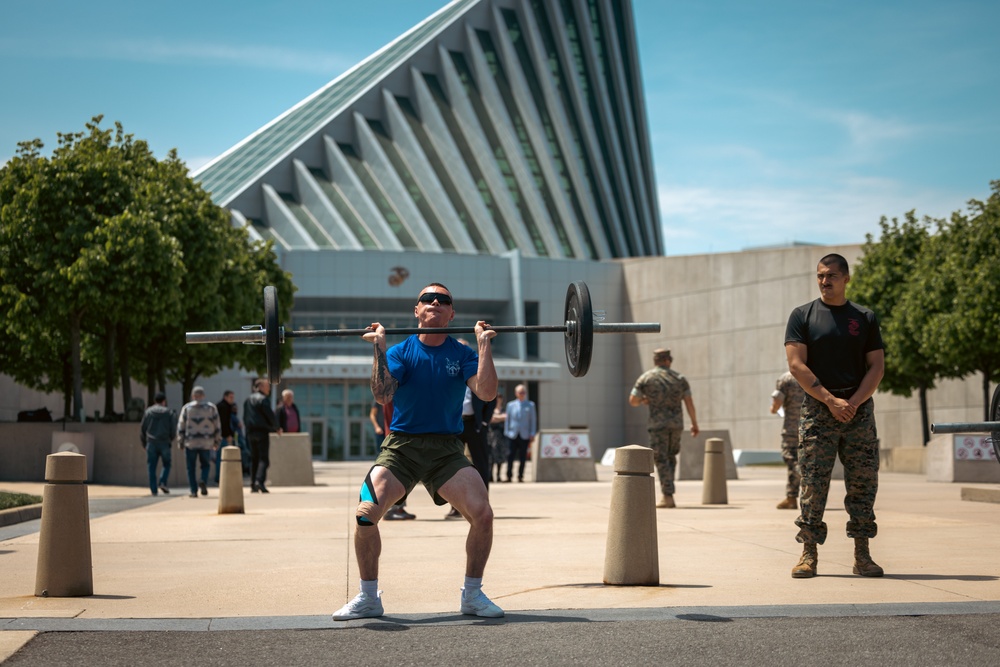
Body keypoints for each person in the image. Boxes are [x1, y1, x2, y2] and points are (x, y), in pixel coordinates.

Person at [333, 282, 503, 620]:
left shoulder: (463, 353)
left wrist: (484, 346)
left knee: (482, 514)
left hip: (446, 449)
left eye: (444, 300)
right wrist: (379, 348)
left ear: (451, 313)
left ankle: (472, 594)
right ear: (417, 310)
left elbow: (485, 393)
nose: (435, 302)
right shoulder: (400, 352)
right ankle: (368, 597)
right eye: (428, 299)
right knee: (366, 514)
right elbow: (382, 395)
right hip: (402, 446)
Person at [784, 253, 885, 580]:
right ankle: (808, 553)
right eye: (820, 276)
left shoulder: (865, 318)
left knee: (863, 482)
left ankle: (862, 554)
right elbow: (797, 365)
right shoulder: (802, 315)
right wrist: (830, 401)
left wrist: (852, 403)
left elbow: (877, 366)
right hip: (817, 410)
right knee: (813, 482)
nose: (825, 281)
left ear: (846, 279)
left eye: (831, 276)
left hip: (858, 412)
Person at [628, 348, 700, 508]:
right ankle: (668, 492)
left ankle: (667, 495)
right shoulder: (680, 378)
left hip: (657, 425)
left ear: (655, 361)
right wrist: (694, 423)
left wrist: (645, 400)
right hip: (676, 425)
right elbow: (689, 403)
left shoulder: (646, 378)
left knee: (660, 459)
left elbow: (633, 400)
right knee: (670, 457)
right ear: (668, 360)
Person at [446, 384, 496, 519]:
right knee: (452, 466)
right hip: (455, 424)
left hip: (475, 425)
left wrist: (485, 422)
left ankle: (483, 504)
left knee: (481, 465)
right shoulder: (452, 373)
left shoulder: (476, 377)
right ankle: (455, 507)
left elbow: (491, 395)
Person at [374, 401, 416, 521]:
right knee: (399, 475)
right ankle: (393, 509)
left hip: (397, 436)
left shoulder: (392, 391)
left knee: (403, 474)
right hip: (399, 436)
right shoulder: (394, 393)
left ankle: (398, 507)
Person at [176, 386, 221, 498]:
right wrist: (217, 440)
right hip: (206, 442)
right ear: (203, 395)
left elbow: (181, 425)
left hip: (190, 442)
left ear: (193, 396)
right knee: (205, 465)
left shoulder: (187, 408)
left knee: (190, 467)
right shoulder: (211, 408)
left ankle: (193, 491)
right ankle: (203, 481)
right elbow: (217, 425)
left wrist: (180, 441)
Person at [771, 371, 805, 510]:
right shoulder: (815, 376)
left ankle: (793, 495)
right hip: (810, 426)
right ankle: (792, 498)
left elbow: (777, 403)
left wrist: (773, 409)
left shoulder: (786, 379)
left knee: (791, 460)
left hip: (791, 428)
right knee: (806, 460)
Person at [244, 378, 281, 493]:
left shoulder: (248, 400)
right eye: (267, 386)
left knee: (254, 458)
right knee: (264, 459)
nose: (269, 388)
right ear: (260, 387)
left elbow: (244, 416)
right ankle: (259, 482)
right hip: (262, 431)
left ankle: (252, 483)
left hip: (250, 432)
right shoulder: (263, 400)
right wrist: (277, 427)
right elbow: (270, 415)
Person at [140, 392, 176, 496]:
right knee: (167, 464)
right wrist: (170, 439)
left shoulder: (148, 412)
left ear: (155, 401)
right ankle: (163, 481)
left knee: (151, 466)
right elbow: (173, 429)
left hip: (151, 442)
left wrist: (144, 443)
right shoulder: (169, 412)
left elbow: (143, 428)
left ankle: (153, 489)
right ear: (164, 401)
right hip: (164, 442)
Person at [503, 384, 537, 483]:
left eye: (523, 392)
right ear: (516, 393)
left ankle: (520, 476)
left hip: (524, 434)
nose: (522, 394)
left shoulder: (530, 405)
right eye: (520, 392)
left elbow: (533, 420)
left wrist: (532, 433)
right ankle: (509, 476)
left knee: (523, 456)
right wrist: (507, 432)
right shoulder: (510, 405)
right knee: (510, 455)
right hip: (512, 434)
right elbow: (507, 420)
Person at [215, 390, 236, 484]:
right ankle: (219, 477)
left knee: (220, 457)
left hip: (220, 435)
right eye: (231, 397)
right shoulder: (224, 407)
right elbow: (224, 423)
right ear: (225, 397)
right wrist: (228, 435)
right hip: (222, 436)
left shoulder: (224, 406)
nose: (232, 399)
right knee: (221, 458)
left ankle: (219, 477)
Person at [487, 394, 507, 483]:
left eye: (500, 398)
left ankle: (498, 475)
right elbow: (490, 419)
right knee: (491, 457)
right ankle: (490, 475)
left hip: (501, 436)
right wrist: (501, 418)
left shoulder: (504, 409)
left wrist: (496, 418)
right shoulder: (490, 408)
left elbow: (506, 418)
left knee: (500, 456)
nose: (499, 400)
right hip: (491, 436)